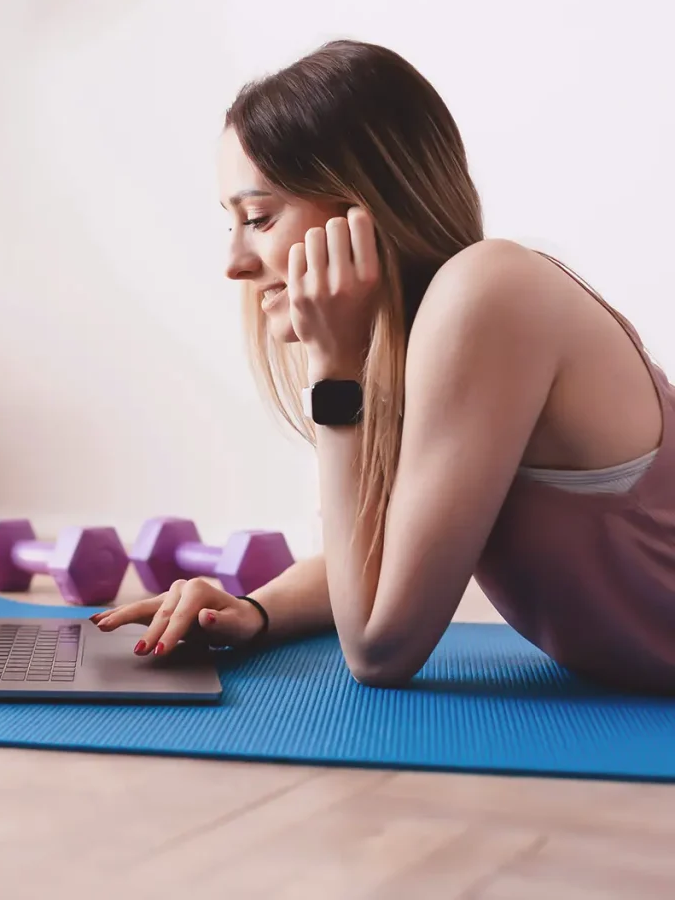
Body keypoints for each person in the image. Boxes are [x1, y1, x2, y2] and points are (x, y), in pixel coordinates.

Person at [92, 39, 675, 693]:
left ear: (362, 208)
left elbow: (377, 648)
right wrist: (254, 610)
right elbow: (385, 562)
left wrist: (333, 368)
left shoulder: (491, 289)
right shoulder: (440, 339)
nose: (234, 264)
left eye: (258, 218)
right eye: (232, 223)